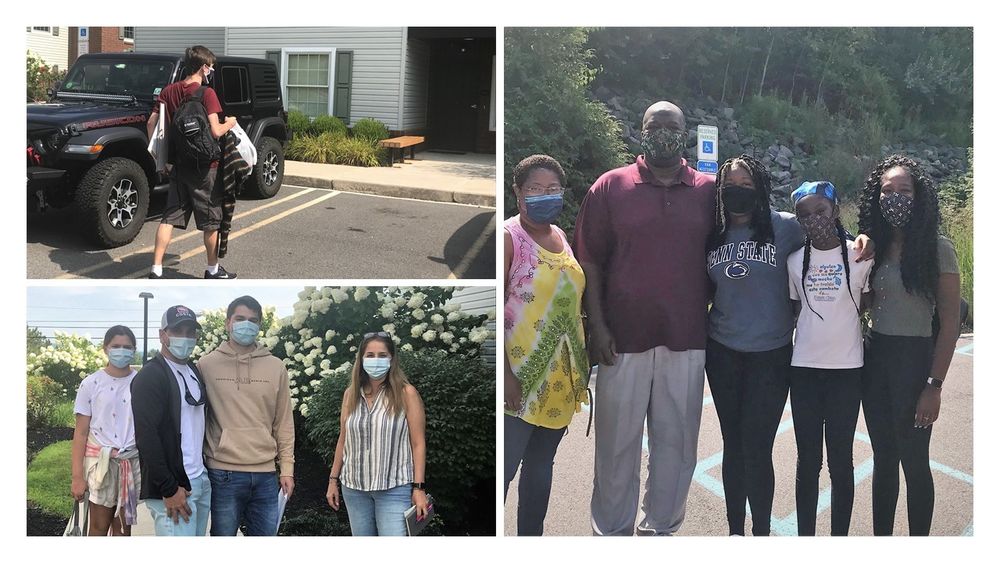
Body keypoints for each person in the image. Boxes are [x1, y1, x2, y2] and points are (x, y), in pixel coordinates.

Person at [704, 156, 872, 536]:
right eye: (730, 184)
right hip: (723, 351)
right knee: (734, 443)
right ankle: (735, 531)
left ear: (760, 187)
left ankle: (762, 531)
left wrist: (865, 237)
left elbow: (829, 235)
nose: (738, 191)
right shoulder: (712, 231)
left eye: (747, 184)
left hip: (772, 355)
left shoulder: (786, 227)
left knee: (759, 445)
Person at [574, 101, 716, 536]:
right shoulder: (611, 186)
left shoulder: (711, 191)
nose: (664, 134)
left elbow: (753, 233)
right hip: (622, 340)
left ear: (686, 132)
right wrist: (595, 326)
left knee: (677, 447)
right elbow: (590, 262)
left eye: (673, 126)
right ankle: (612, 531)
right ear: (641, 131)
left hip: (687, 338)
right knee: (616, 446)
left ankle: (661, 529)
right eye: (655, 126)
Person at [858, 154, 961, 535]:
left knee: (914, 463)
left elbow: (951, 325)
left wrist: (933, 387)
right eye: (887, 191)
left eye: (904, 190)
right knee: (883, 459)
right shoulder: (876, 247)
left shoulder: (938, 248)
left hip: (915, 363)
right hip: (877, 359)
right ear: (877, 198)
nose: (895, 198)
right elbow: (865, 302)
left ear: (919, 198)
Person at [503, 155, 589, 535]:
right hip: (519, 382)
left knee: (540, 471)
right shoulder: (509, 238)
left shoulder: (560, 236)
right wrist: (504, 376)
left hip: (559, 382)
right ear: (518, 193)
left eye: (552, 189)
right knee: (502, 472)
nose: (544, 196)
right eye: (535, 189)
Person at [787, 181, 874, 536]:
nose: (813, 220)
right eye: (804, 215)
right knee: (808, 461)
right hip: (804, 370)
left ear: (835, 210)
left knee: (841, 462)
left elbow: (869, 302)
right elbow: (795, 310)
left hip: (846, 371)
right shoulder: (794, 261)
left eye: (820, 211)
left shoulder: (860, 255)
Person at [198, 295, 295, 536]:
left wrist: (287, 469)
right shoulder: (206, 365)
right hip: (223, 473)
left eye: (252, 320)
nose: (246, 324)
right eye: (240, 318)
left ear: (260, 325)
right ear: (228, 323)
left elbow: (283, 422)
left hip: (265, 474)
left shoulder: (275, 367)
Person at [146, 45, 238, 279]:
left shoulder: (168, 92)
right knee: (210, 220)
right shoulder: (207, 93)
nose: (212, 71)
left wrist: (161, 158)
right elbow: (216, 132)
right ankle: (212, 269)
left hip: (178, 164)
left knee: (169, 217)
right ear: (203, 68)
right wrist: (231, 123)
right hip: (207, 168)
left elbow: (151, 124)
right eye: (211, 67)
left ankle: (156, 269)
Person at [325, 332, 429, 536]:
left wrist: (418, 488)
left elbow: (418, 443)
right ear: (361, 359)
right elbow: (343, 439)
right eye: (370, 355)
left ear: (392, 359)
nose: (376, 360)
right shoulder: (351, 394)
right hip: (354, 488)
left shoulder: (406, 393)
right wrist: (332, 481)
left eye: (382, 355)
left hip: (394, 488)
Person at [131, 305, 211, 536]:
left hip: (198, 478)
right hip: (175, 487)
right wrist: (169, 488)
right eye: (178, 331)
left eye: (190, 332)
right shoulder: (151, 376)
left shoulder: (192, 370)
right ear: (162, 335)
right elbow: (146, 437)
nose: (185, 338)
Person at [70, 325, 140, 536]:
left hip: (131, 462)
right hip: (102, 465)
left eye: (127, 347)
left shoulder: (141, 382)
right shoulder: (91, 383)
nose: (121, 350)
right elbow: (81, 433)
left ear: (134, 349)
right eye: (116, 346)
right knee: (98, 528)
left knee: (123, 529)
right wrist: (77, 477)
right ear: (105, 348)